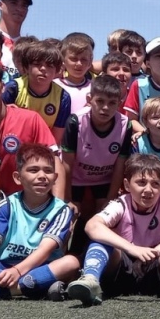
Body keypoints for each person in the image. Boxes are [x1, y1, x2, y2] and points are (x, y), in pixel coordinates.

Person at [65, 154, 160, 307]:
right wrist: (132, 249)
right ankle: (90, 280)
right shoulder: (120, 204)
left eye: (155, 184)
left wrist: (157, 250)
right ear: (127, 185)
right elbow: (92, 226)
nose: (148, 190)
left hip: (154, 269)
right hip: (121, 270)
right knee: (100, 241)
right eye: (141, 183)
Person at [0, 144, 80, 301]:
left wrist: (18, 272)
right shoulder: (6, 205)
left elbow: (44, 251)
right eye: (33, 170)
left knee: (71, 263)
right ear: (17, 178)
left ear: (55, 178)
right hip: (3, 268)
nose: (42, 176)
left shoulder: (61, 210)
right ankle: (37, 289)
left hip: (40, 267)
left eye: (47, 171)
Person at [0, 60, 65, 198]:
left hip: (25, 203)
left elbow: (54, 160)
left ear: (3, 86)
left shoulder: (30, 119)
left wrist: (58, 207)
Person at [62, 75, 133, 255]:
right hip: (76, 179)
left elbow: (120, 165)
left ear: (120, 103)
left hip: (104, 180)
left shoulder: (125, 125)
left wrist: (110, 198)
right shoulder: (75, 121)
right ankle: (63, 259)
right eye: (100, 101)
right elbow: (67, 164)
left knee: (103, 217)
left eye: (112, 102)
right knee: (68, 217)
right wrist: (68, 198)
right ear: (89, 100)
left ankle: (95, 259)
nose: (105, 107)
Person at [3, 39, 71, 145]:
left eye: (49, 65)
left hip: (44, 148)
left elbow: (55, 139)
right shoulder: (12, 89)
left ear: (57, 70)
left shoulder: (63, 97)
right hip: (13, 144)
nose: (43, 68)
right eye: (37, 64)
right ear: (26, 67)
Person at [0, 0, 33, 80]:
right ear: (0, 5)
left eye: (24, 5)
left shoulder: (31, 45)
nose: (19, 9)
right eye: (14, 3)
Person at [56, 32, 95, 117]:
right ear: (63, 60)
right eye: (73, 59)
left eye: (84, 59)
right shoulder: (53, 85)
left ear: (90, 62)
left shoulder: (95, 88)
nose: (79, 64)